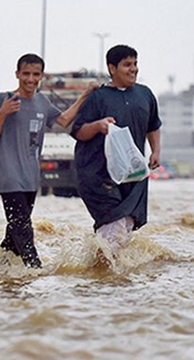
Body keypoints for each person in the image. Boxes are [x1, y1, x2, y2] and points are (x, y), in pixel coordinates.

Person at [0, 53, 96, 268]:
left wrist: (85, 95)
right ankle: (35, 269)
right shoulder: (4, 99)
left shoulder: (42, 102)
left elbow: (64, 120)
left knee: (14, 233)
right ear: (17, 74)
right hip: (8, 177)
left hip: (31, 179)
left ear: (41, 76)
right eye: (25, 74)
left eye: (35, 74)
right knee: (23, 227)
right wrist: (2, 114)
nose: (30, 79)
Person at [70, 44, 161, 254]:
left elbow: (153, 125)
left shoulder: (145, 94)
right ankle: (103, 277)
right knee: (114, 223)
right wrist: (98, 125)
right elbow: (78, 131)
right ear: (112, 68)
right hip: (98, 175)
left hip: (133, 174)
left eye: (135, 64)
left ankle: (104, 277)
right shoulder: (98, 98)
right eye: (127, 64)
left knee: (126, 225)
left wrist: (155, 151)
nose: (134, 69)